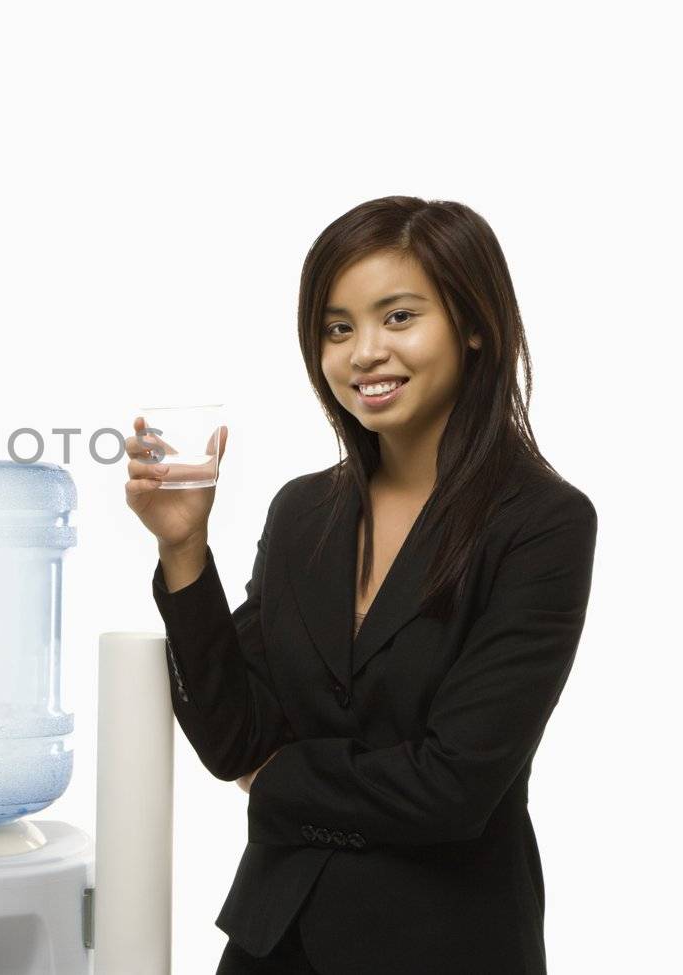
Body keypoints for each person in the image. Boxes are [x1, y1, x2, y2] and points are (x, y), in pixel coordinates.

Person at [126, 196, 597, 974]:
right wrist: (184, 550)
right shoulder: (305, 511)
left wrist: (280, 781)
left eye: (399, 317)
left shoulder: (542, 523)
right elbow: (234, 737)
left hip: (444, 945)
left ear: (474, 324)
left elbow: (452, 787)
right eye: (338, 328)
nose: (363, 352)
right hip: (273, 941)